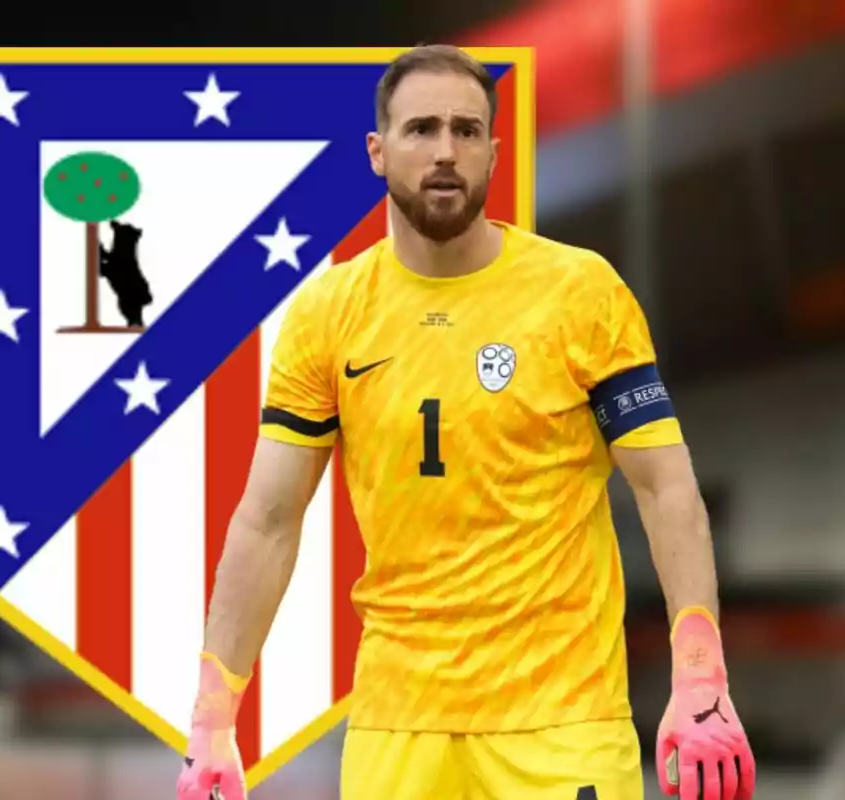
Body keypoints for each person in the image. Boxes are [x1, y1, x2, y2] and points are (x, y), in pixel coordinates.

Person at [176, 44, 756, 800]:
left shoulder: (581, 292)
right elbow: (269, 519)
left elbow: (666, 490)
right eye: (421, 130)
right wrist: (212, 720)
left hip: (563, 724)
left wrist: (701, 677)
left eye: (466, 130)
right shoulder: (326, 314)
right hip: (396, 724)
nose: (445, 151)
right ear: (377, 153)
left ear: (493, 150)